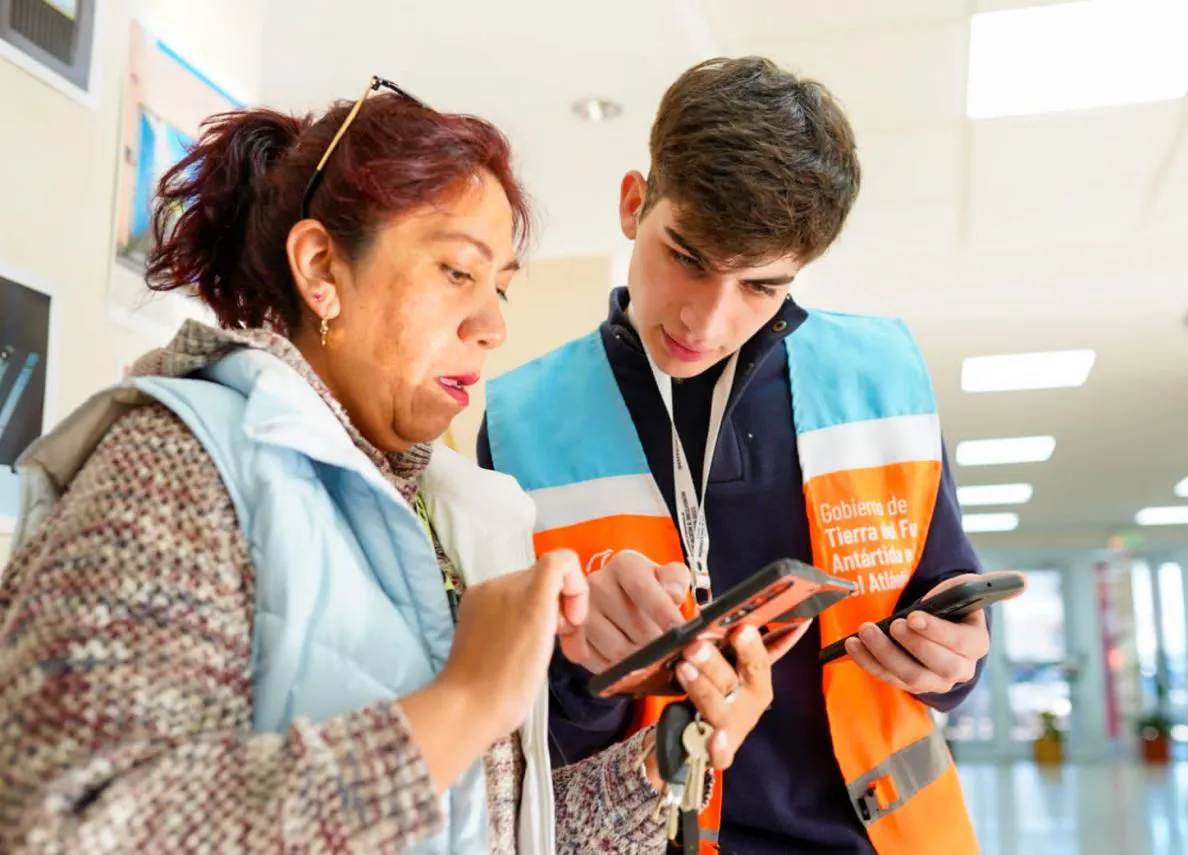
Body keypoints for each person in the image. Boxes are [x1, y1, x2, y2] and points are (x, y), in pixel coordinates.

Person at [0, 78, 785, 854]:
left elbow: (487, 827)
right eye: (457, 272)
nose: (492, 326)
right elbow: (56, 825)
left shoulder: (450, 516)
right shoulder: (175, 464)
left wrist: (676, 751)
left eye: (501, 288)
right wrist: (463, 701)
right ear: (319, 268)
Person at [479, 57, 1015, 854]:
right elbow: (521, 725)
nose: (707, 318)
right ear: (634, 204)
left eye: (760, 285)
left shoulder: (884, 377)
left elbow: (946, 605)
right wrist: (584, 669)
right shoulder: (521, 419)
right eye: (687, 257)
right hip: (649, 834)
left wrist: (953, 658)